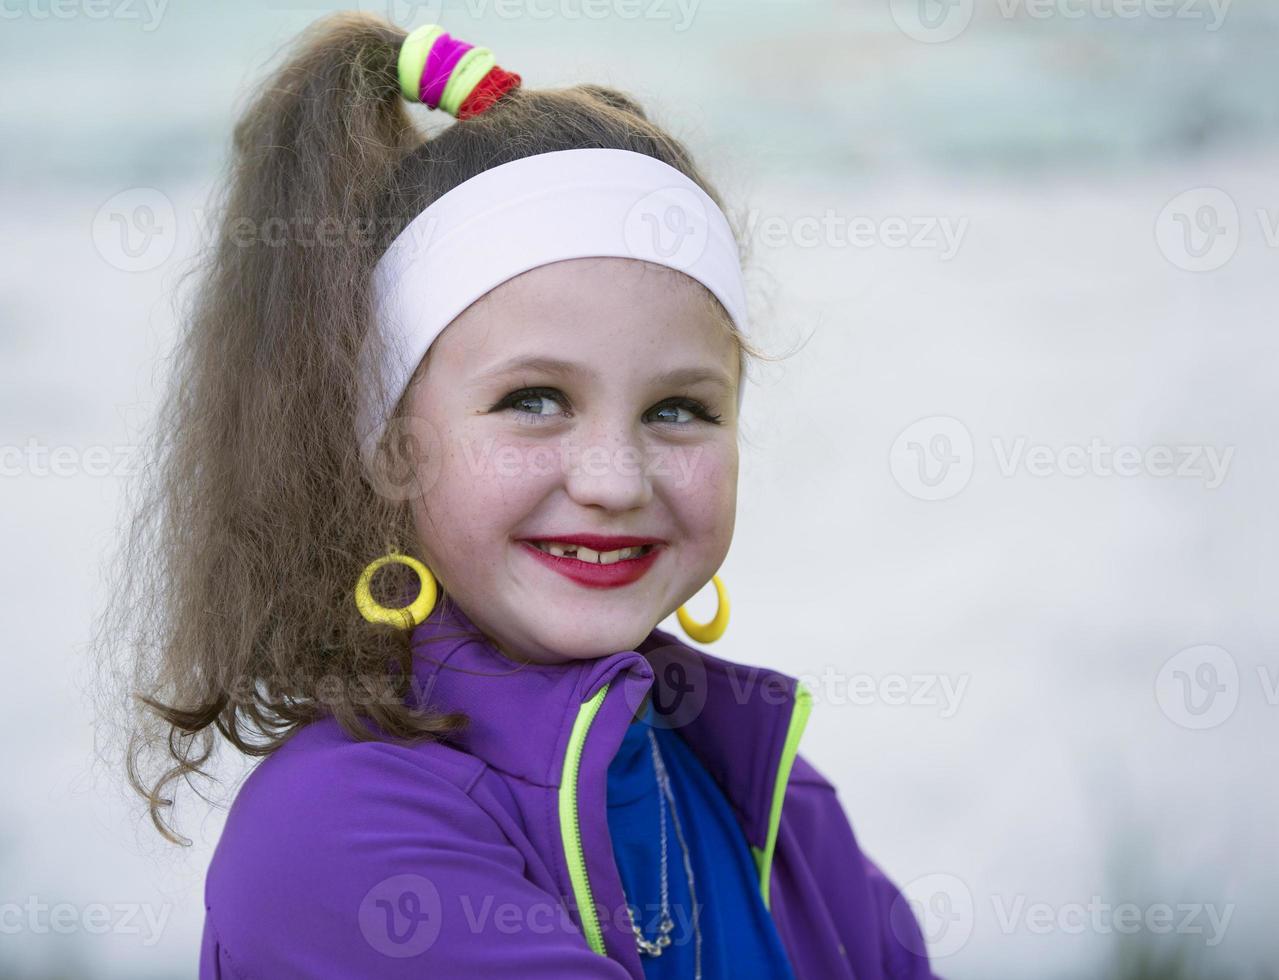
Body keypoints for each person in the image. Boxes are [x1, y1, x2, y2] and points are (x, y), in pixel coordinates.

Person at [97, 12, 936, 978]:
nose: (615, 479)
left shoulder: (769, 790)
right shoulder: (337, 834)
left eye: (679, 409)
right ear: (392, 450)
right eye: (533, 400)